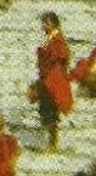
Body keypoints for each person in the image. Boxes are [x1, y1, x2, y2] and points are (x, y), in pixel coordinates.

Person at [30, 10, 73, 152]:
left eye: (47, 23)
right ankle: (50, 143)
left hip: (54, 80)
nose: (44, 26)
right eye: (44, 23)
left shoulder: (58, 40)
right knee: (46, 110)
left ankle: (53, 144)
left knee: (52, 112)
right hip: (46, 78)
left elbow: (62, 56)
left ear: (54, 25)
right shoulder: (48, 40)